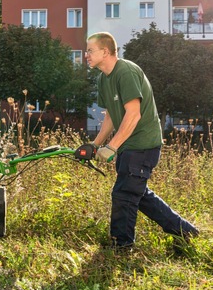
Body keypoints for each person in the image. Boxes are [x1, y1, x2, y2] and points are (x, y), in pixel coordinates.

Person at [81, 31, 198, 250]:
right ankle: (186, 232)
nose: (86, 54)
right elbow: (111, 115)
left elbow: (133, 114)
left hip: (143, 145)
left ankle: (121, 247)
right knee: (138, 193)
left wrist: (112, 146)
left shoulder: (126, 72)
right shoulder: (103, 78)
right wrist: (96, 144)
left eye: (90, 50)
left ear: (105, 51)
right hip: (129, 145)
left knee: (124, 193)